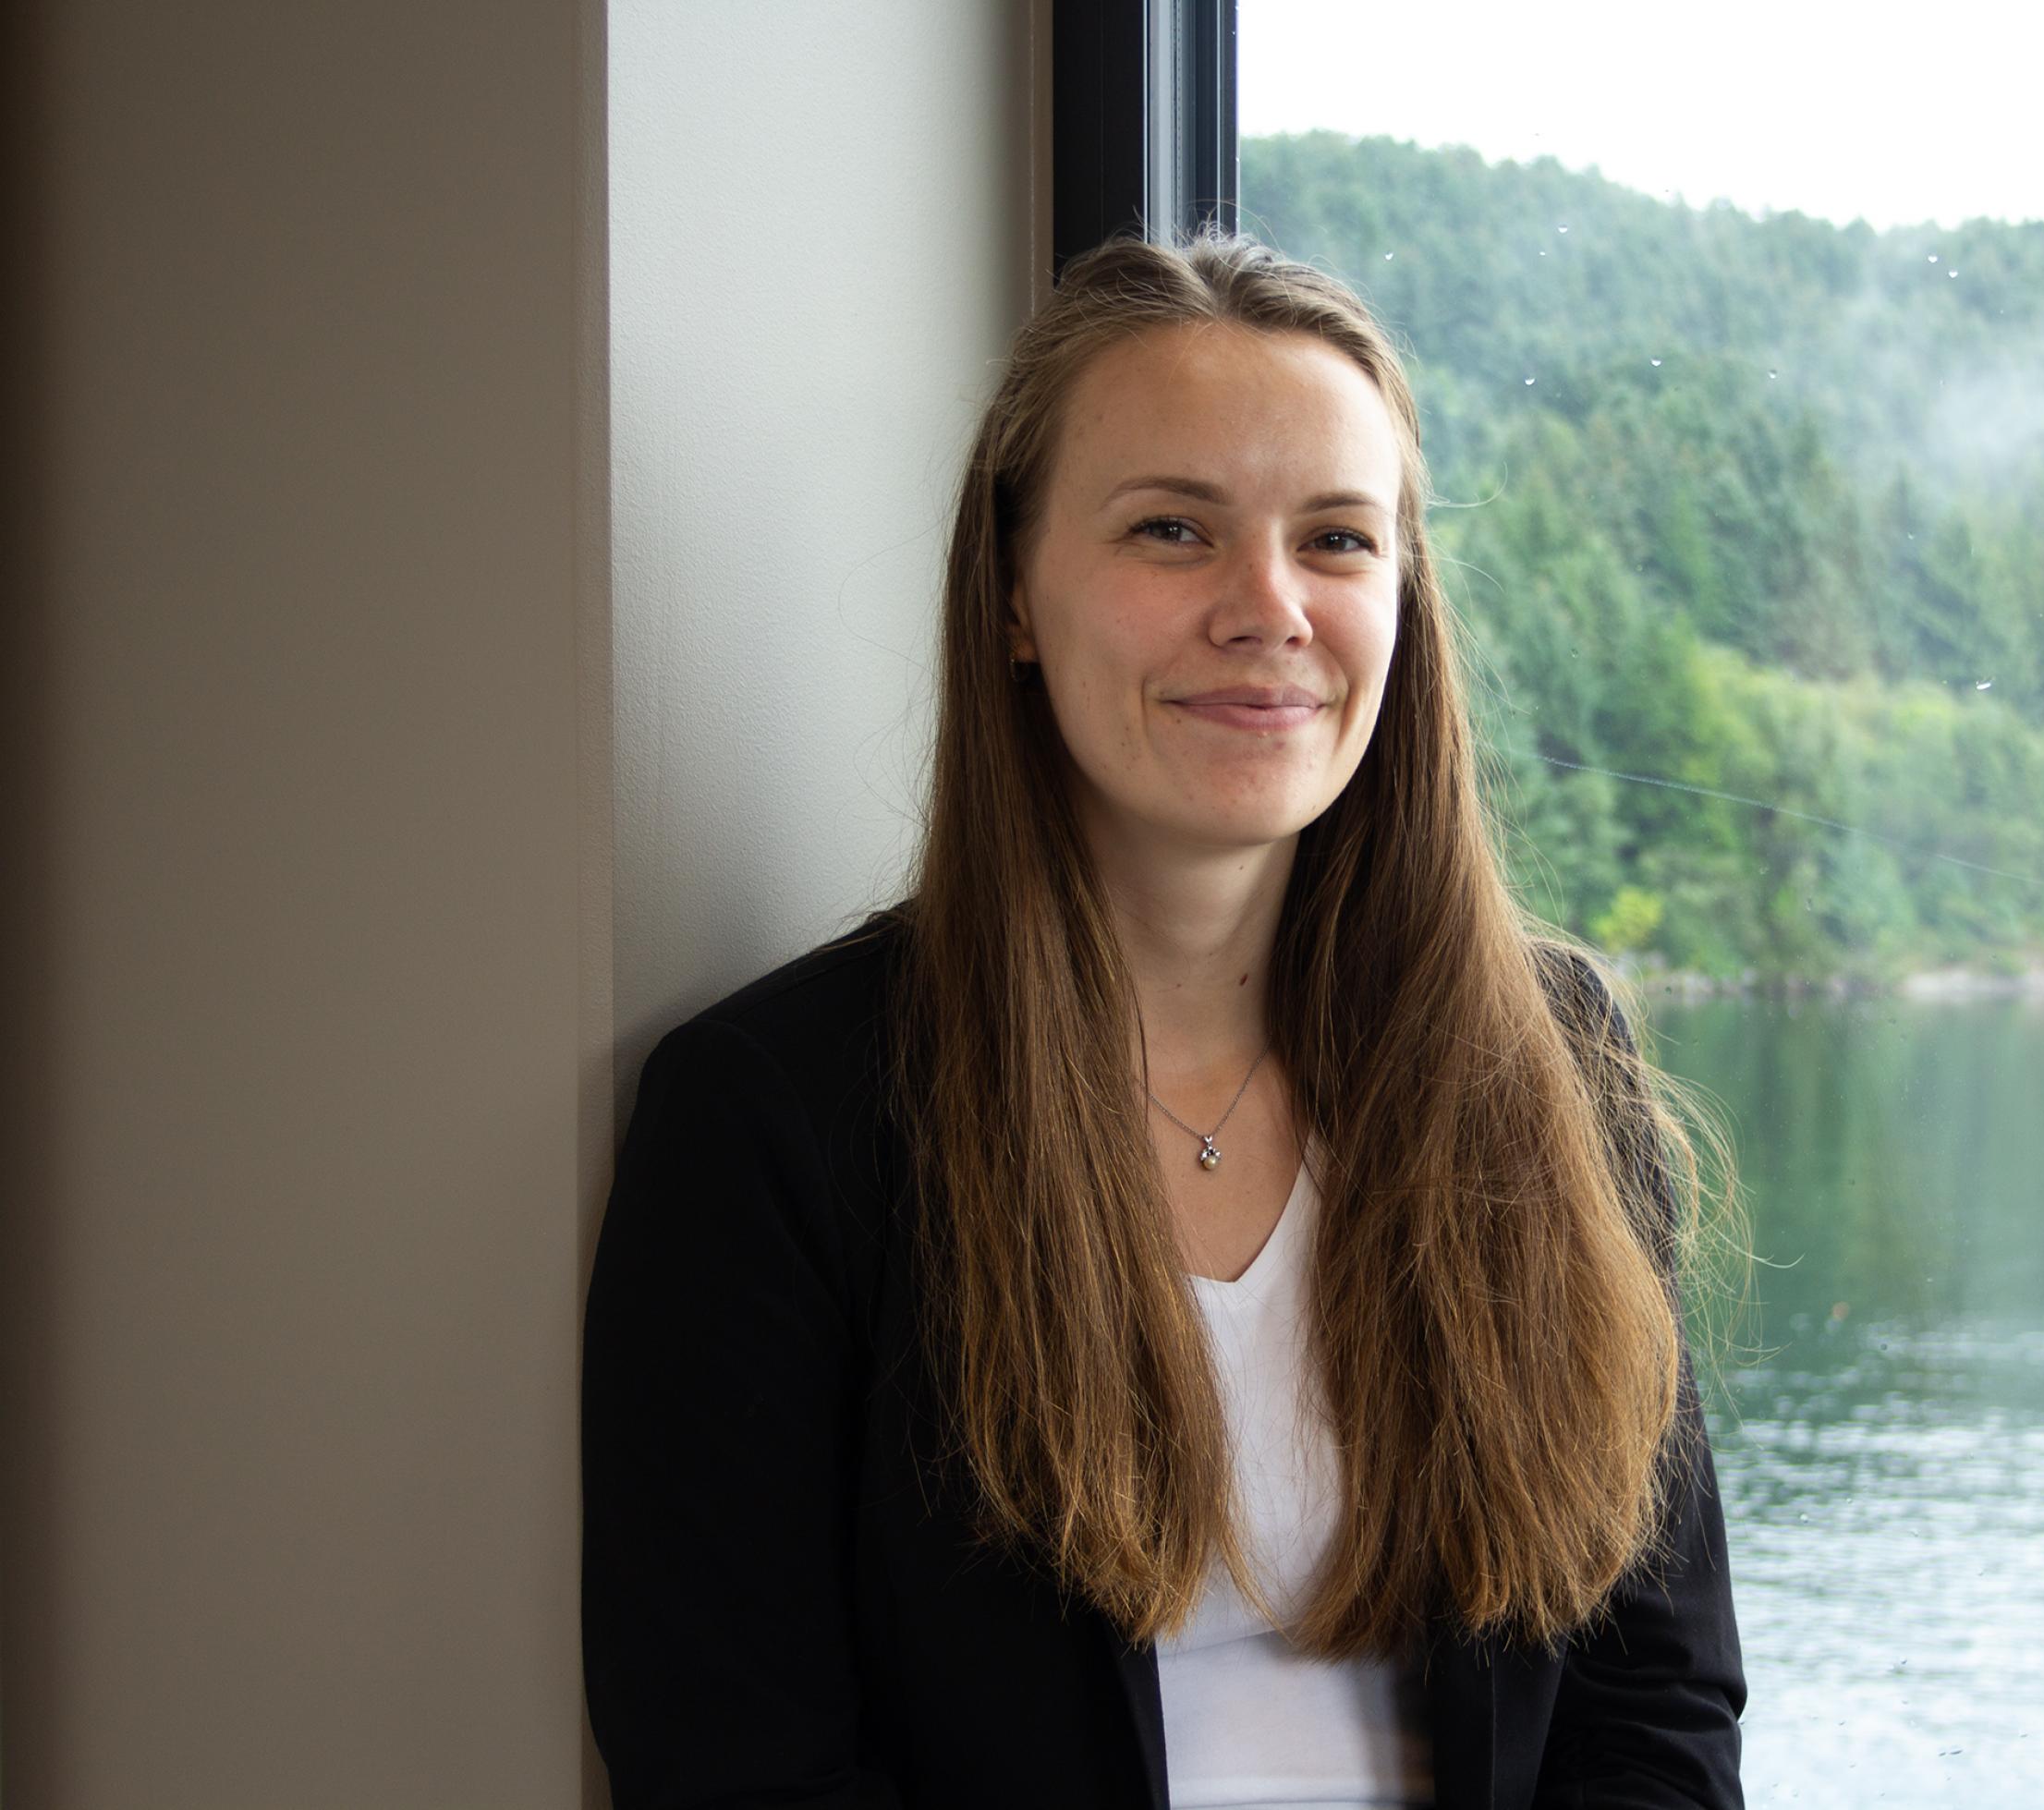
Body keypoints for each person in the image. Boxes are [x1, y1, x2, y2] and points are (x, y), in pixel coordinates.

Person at [581, 227, 1747, 1810]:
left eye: (1336, 540)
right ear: (1012, 592)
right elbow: (735, 1769)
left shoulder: (1550, 1063)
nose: (1266, 606)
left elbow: (1653, 1707)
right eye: (1171, 530)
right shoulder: (775, 1118)